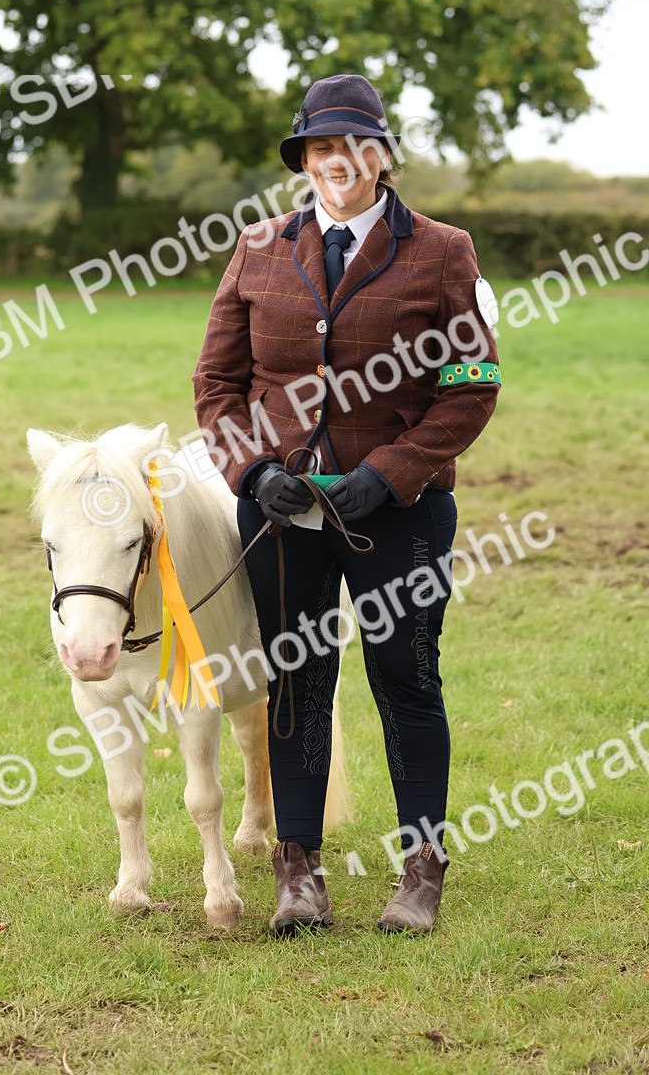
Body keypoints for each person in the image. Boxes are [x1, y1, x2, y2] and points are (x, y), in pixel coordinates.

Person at [192, 73, 501, 937]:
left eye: (354, 146)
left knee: (405, 676)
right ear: (305, 160)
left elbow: (473, 383)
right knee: (295, 682)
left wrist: (394, 472)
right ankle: (300, 873)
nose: (338, 161)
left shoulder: (444, 251)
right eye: (321, 148)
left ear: (382, 158)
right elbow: (216, 386)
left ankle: (421, 868)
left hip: (399, 513)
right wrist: (251, 475)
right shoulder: (257, 248)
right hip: (283, 515)